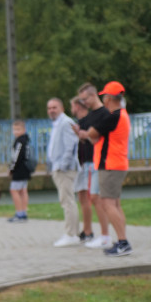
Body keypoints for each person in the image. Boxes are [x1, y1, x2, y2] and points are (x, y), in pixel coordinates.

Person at [78, 80, 132, 256]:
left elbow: (92, 134)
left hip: (110, 164)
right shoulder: (122, 115)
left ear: (109, 98)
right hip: (117, 163)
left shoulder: (113, 116)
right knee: (115, 204)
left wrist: (86, 134)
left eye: (105, 97)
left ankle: (123, 242)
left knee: (108, 204)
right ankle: (121, 240)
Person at [76, 82, 113, 249]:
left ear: (92, 96)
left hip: (102, 161)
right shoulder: (91, 116)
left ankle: (106, 236)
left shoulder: (104, 114)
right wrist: (82, 134)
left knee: (100, 199)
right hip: (93, 160)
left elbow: (100, 138)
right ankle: (105, 235)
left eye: (84, 99)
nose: (83, 103)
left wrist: (87, 135)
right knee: (94, 198)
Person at [46, 98, 80, 245]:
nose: (51, 110)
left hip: (64, 169)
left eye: (54, 107)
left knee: (68, 201)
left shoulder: (65, 123)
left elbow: (70, 146)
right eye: (49, 108)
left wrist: (63, 165)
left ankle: (71, 234)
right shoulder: (57, 124)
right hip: (58, 167)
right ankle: (72, 233)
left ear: (61, 108)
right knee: (65, 200)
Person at [70, 96, 95, 242]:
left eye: (72, 106)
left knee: (87, 198)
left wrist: (80, 134)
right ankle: (86, 229)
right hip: (82, 163)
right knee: (82, 197)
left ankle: (88, 231)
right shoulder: (81, 122)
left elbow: (91, 140)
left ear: (78, 106)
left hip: (89, 163)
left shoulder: (88, 121)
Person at [7, 119, 32, 223]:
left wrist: (11, 169)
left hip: (19, 169)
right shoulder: (27, 140)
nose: (16, 132)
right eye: (14, 129)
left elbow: (16, 157)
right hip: (26, 169)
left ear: (24, 129)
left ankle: (19, 213)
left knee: (14, 190)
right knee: (23, 191)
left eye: (18, 129)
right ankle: (24, 213)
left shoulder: (19, 141)